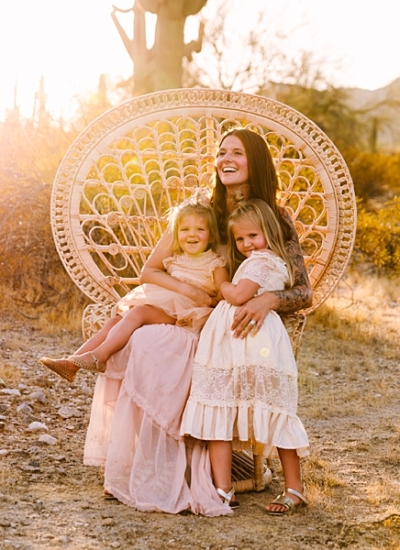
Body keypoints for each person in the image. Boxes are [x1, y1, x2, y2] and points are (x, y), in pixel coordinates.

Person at [82, 128, 313, 516]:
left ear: (255, 161)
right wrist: (193, 293)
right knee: (144, 343)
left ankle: (199, 472)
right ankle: (148, 464)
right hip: (191, 314)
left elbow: (303, 291)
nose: (226, 159)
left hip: (230, 328)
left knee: (157, 345)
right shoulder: (201, 211)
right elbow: (153, 268)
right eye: (221, 152)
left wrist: (268, 299)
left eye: (236, 153)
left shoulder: (275, 217)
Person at [180, 199, 309, 514]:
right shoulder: (255, 260)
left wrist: (222, 283)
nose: (246, 243)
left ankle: (294, 489)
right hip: (230, 345)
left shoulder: (266, 261)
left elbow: (238, 295)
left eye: (253, 235)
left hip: (253, 344)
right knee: (219, 408)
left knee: (274, 408)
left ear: (269, 233)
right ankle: (223, 490)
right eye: (240, 238)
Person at [39, 199, 228, 383]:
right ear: (176, 234)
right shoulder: (174, 259)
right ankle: (72, 363)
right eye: (185, 229)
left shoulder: (214, 264)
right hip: (164, 306)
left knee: (139, 313)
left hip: (188, 314)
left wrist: (210, 301)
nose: (192, 235)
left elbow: (223, 295)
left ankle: (100, 356)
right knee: (114, 321)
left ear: (211, 236)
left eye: (200, 229)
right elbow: (154, 278)